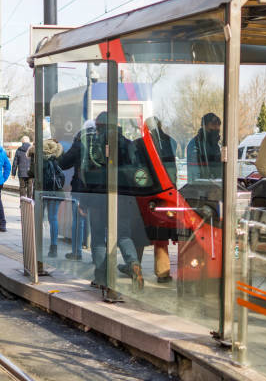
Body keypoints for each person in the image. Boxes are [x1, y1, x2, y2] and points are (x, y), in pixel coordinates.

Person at [81, 112, 144, 302]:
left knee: (99, 237)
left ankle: (102, 279)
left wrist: (84, 200)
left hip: (99, 197)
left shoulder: (94, 145)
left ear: (99, 125)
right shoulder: (128, 143)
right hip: (124, 197)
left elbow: (87, 172)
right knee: (123, 235)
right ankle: (133, 263)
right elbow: (137, 170)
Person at [132, 117, 177, 283]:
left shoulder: (138, 144)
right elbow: (172, 169)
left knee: (139, 232)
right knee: (160, 233)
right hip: (165, 192)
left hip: (144, 192)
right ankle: (162, 272)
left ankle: (135, 267)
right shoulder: (170, 142)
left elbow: (135, 169)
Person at [58, 120, 95, 260]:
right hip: (100, 189)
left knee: (78, 221)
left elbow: (64, 163)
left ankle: (77, 252)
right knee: (99, 222)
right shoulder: (103, 140)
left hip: (81, 187)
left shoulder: (80, 142)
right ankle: (99, 257)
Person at [28, 139, 64, 257]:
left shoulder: (38, 157)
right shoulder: (57, 154)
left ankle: (37, 245)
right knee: (53, 218)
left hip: (42, 192)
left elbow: (32, 173)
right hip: (56, 191)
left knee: (38, 218)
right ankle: (53, 247)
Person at [187, 113, 222, 182]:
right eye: (213, 124)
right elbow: (194, 172)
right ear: (204, 126)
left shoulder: (215, 145)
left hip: (216, 185)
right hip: (202, 186)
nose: (216, 127)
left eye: (218, 125)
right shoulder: (195, 144)